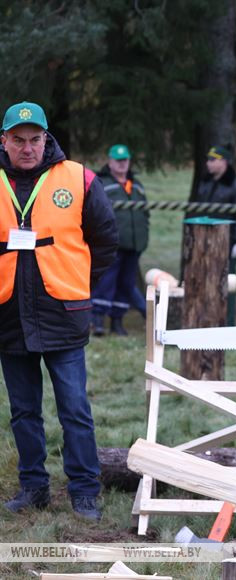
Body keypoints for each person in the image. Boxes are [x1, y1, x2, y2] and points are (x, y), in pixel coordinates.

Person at [0, 101, 118, 520]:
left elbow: (105, 241)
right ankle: (33, 488)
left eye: (35, 139)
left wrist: (80, 284)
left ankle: (84, 490)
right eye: (19, 140)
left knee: (74, 409)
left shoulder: (80, 178)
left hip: (63, 313)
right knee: (24, 412)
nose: (28, 148)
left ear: (46, 139)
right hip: (8, 317)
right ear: (5, 141)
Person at [187, 144, 236, 324]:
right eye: (208, 159)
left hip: (227, 243)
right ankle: (206, 320)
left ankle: (227, 323)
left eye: (213, 160)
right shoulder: (205, 182)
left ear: (224, 162)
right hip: (204, 241)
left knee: (227, 284)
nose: (208, 163)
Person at [91, 144, 148, 336]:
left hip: (133, 245)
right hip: (111, 245)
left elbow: (145, 213)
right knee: (106, 281)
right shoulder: (103, 183)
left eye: (125, 160)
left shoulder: (137, 185)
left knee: (126, 283)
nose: (122, 164)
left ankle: (117, 321)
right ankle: (98, 321)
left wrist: (143, 237)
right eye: (118, 160)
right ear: (110, 161)